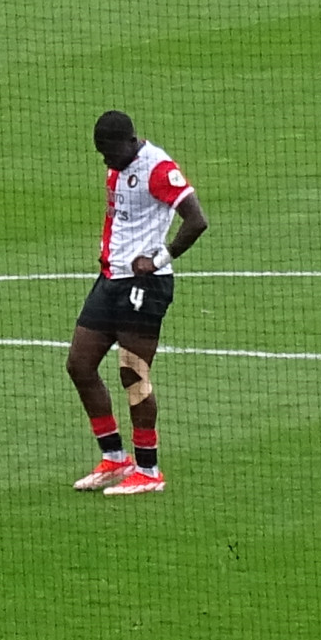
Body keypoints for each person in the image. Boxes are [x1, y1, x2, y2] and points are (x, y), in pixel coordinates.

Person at [70, 108, 205, 496]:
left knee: (133, 372)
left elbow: (196, 220)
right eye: (101, 153)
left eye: (109, 151)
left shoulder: (158, 168)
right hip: (110, 278)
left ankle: (149, 470)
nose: (105, 159)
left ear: (130, 141)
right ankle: (114, 459)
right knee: (79, 364)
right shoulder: (117, 163)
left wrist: (159, 258)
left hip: (144, 285)